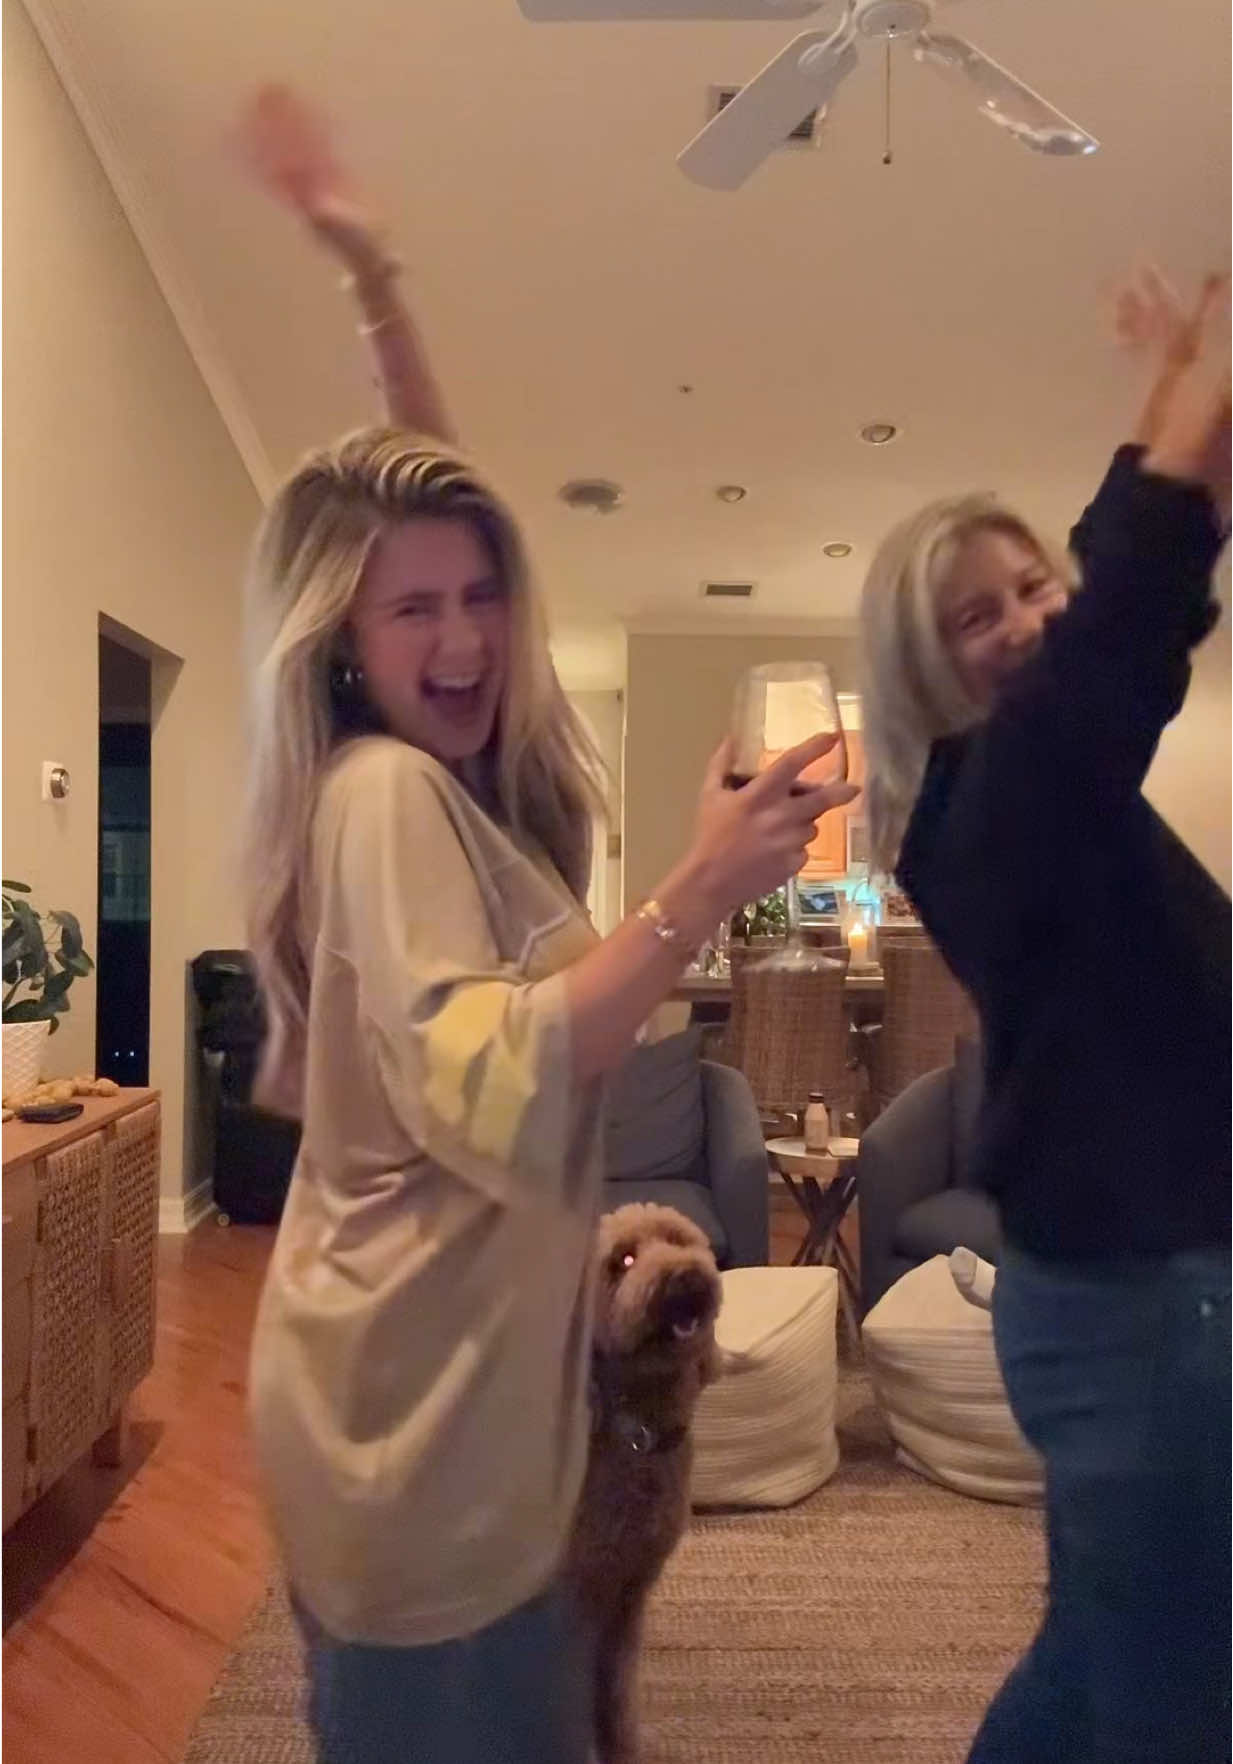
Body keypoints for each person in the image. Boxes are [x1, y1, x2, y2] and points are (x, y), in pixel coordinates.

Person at [237, 88, 857, 1764]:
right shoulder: (380, 795)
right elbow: (492, 1074)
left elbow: (442, 514)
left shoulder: (474, 790)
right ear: (345, 640)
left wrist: (378, 289)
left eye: (483, 596)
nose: (462, 637)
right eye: (412, 610)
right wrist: (699, 887)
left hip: (485, 1399)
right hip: (406, 1416)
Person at [858, 270, 1231, 1764]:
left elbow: (1102, 608)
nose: (1020, 622)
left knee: (1103, 1656)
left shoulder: (1027, 794)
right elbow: (1112, 631)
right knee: (1174, 1695)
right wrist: (1192, 410)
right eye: (974, 615)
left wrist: (1165, 397)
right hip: (1143, 1307)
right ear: (927, 670)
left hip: (1131, 1288)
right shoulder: (991, 802)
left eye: (1030, 590)